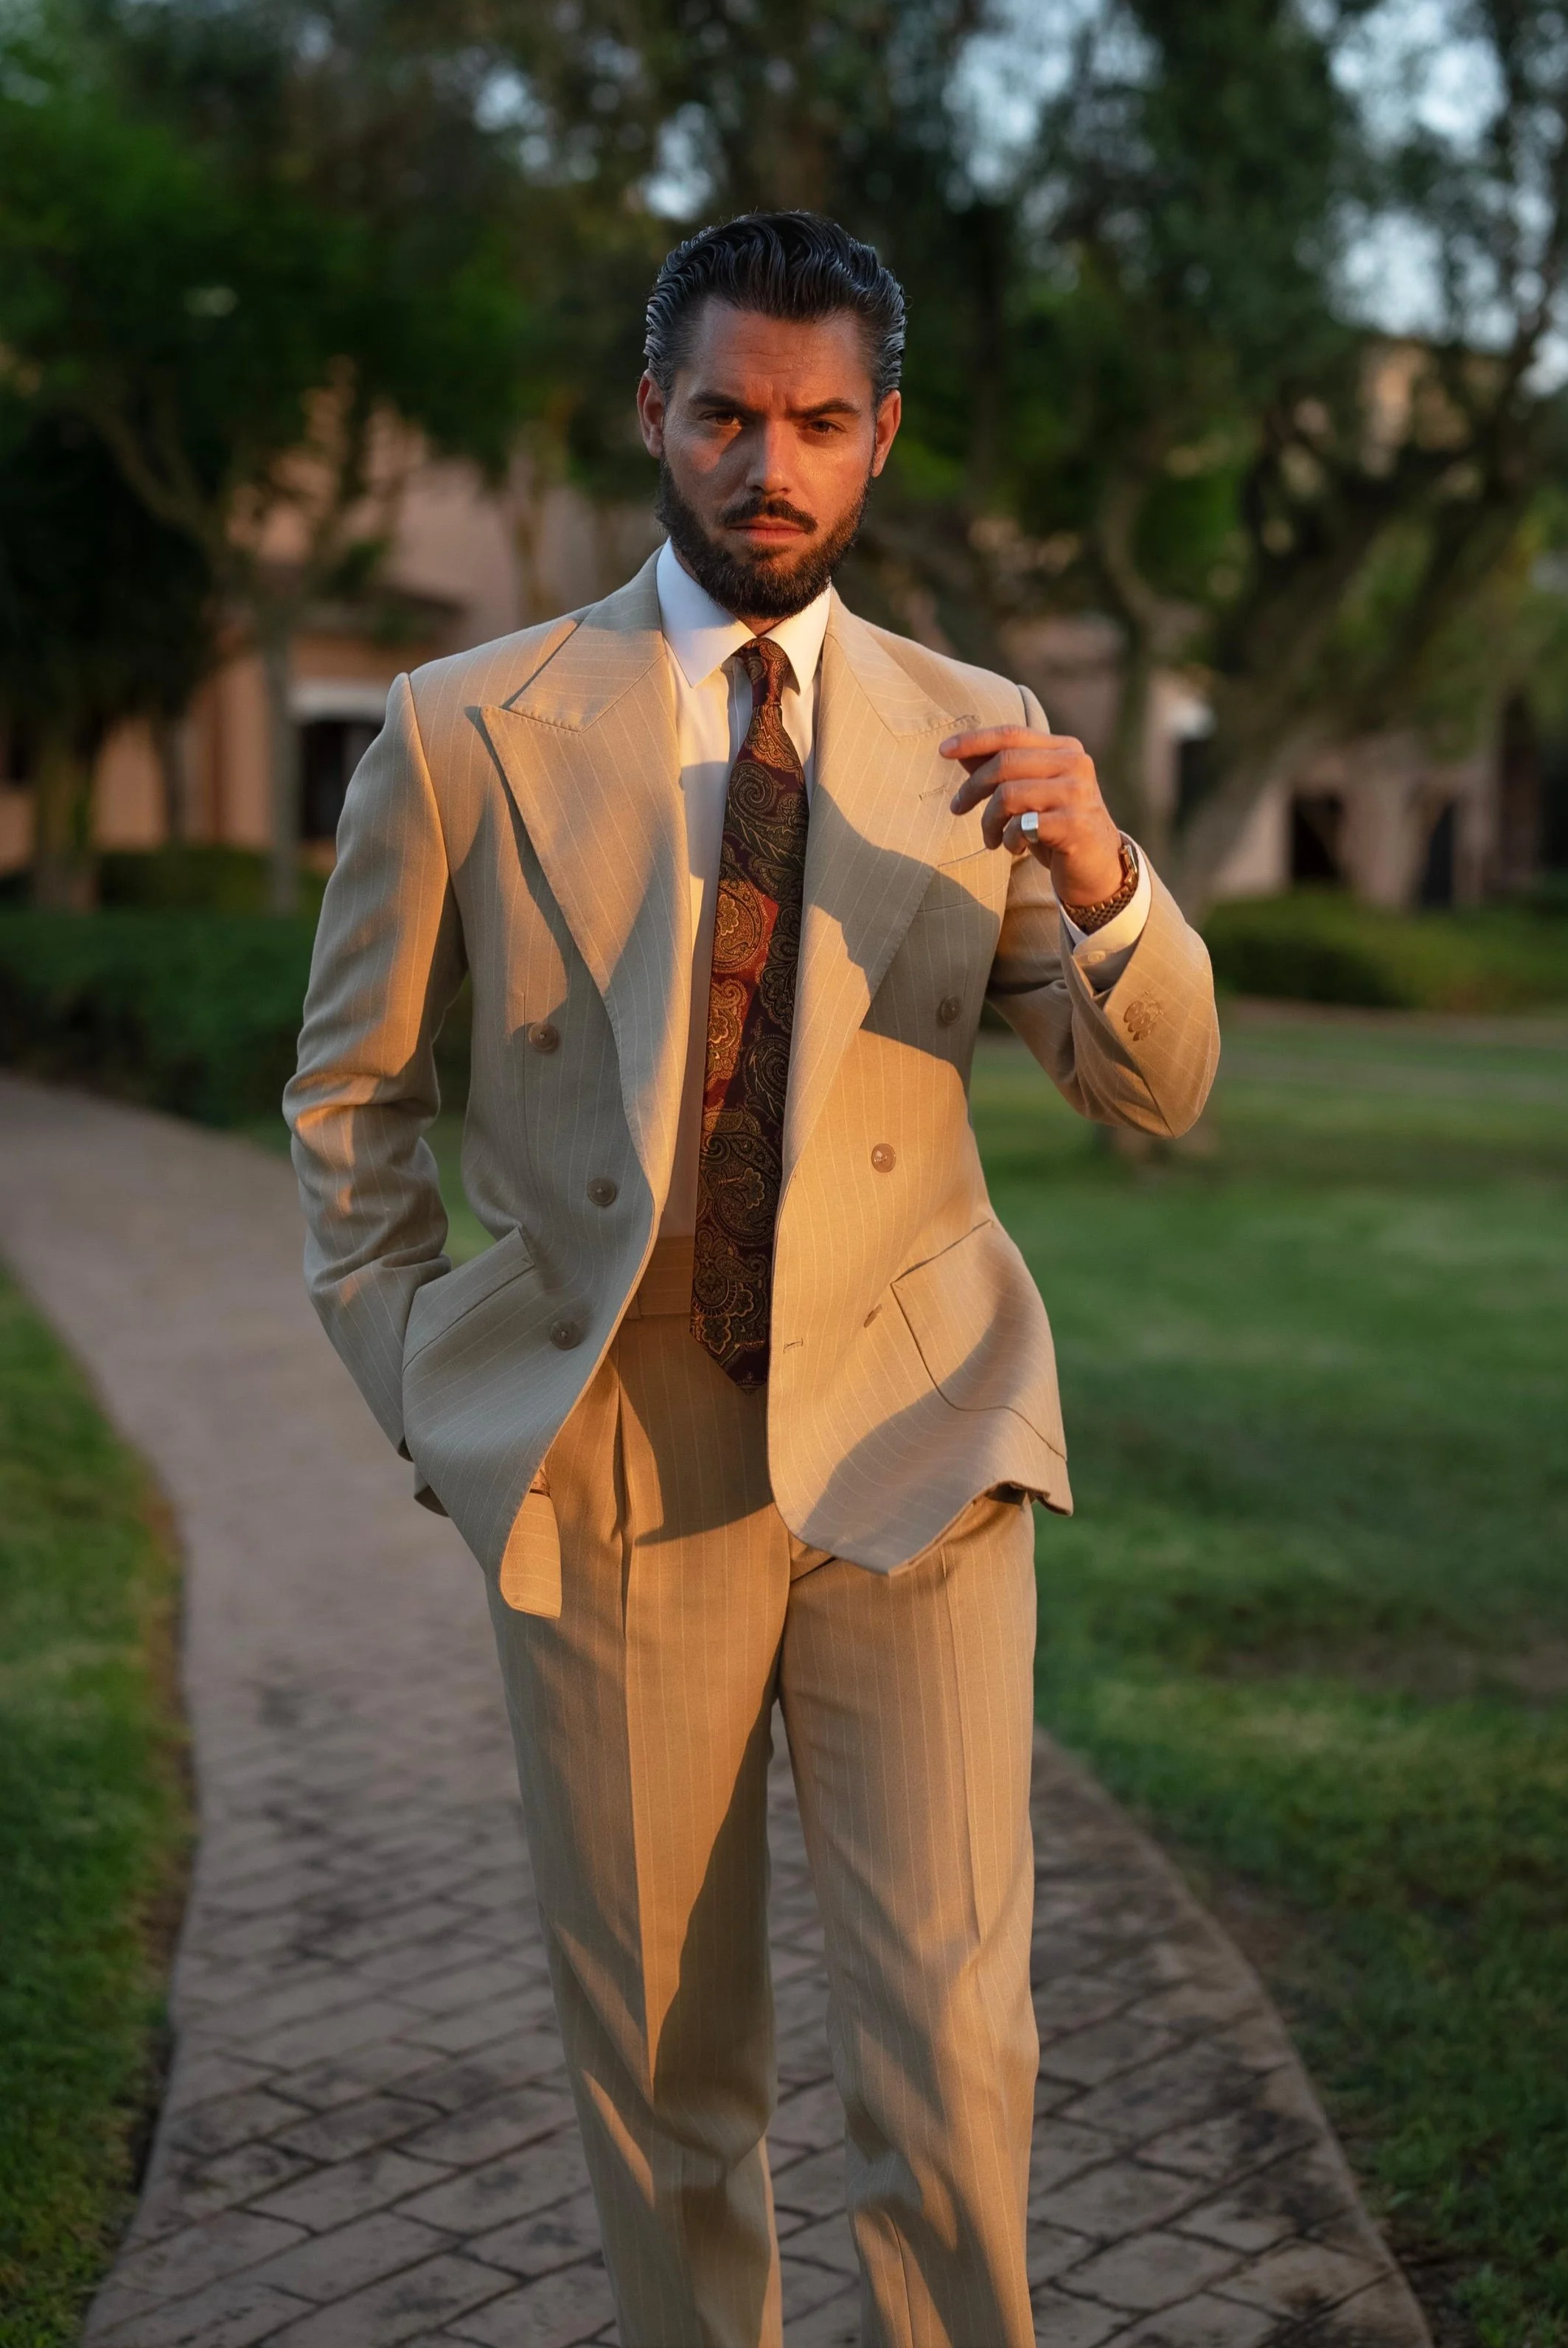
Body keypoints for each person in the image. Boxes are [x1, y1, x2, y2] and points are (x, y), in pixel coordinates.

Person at [285, 210, 1219, 2348]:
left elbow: (1152, 1089)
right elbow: (351, 1102)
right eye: (723, 415)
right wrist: (428, 1384)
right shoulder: (465, 727)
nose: (764, 466)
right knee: (665, 2067)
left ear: (880, 437)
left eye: (813, 424)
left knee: (955, 2049)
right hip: (618, 1451)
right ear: (655, 414)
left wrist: (1101, 873)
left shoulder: (978, 730)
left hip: (917, 1439)